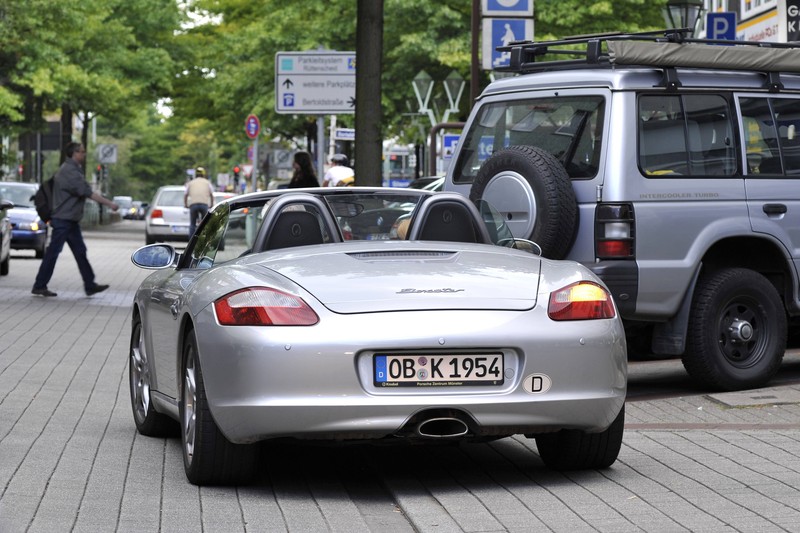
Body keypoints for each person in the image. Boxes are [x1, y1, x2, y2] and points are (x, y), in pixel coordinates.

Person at [31, 142, 119, 297]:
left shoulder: (72, 170)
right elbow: (88, 193)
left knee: (79, 252)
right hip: (63, 220)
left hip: (69, 220)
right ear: (74, 153)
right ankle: (39, 285)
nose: (84, 154)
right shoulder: (70, 172)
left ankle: (90, 284)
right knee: (53, 253)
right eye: (82, 152)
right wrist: (110, 204)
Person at [184, 166, 215, 237]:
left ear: (196, 174)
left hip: (193, 205)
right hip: (204, 205)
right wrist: (211, 204)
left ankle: (191, 241)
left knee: (192, 224)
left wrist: (186, 204)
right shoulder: (207, 183)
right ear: (203, 174)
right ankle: (204, 238)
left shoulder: (191, 183)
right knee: (205, 223)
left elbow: (185, 194)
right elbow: (211, 194)